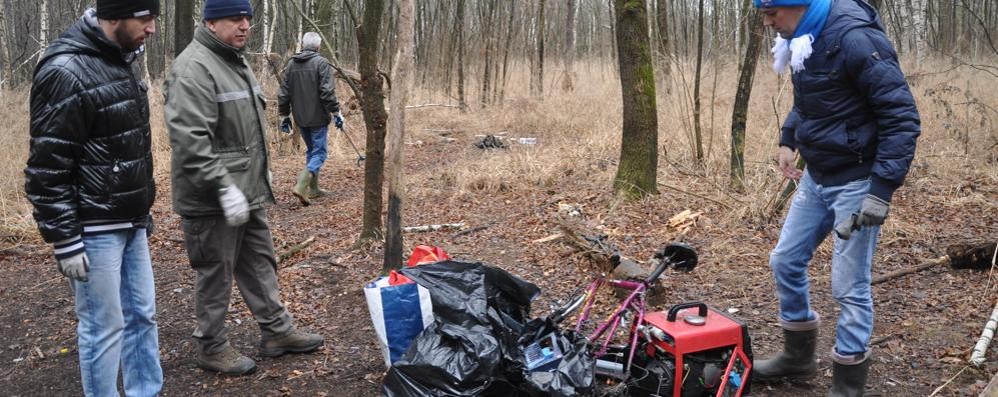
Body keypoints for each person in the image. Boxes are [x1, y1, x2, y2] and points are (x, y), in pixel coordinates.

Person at [751, 0, 920, 395]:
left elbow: (902, 117)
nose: (768, 21)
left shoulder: (855, 38)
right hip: (817, 176)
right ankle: (798, 357)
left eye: (772, 12)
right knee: (785, 260)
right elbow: (811, 99)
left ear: (798, 4)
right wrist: (788, 138)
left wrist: (880, 192)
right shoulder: (804, 36)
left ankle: (847, 384)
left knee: (848, 285)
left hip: (858, 180)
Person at [164, 0, 324, 376]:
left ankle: (277, 332)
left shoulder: (234, 60)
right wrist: (224, 188)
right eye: (235, 18)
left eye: (248, 18)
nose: (245, 25)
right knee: (215, 272)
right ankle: (211, 346)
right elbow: (190, 142)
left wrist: (253, 182)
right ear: (210, 21)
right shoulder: (193, 68)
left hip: (246, 191)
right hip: (212, 197)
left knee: (259, 262)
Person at [24, 1, 162, 395]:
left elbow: (127, 148)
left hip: (130, 221)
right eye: (145, 19)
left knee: (142, 317)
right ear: (114, 16)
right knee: (104, 328)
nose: (152, 28)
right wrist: (65, 240)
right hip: (92, 230)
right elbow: (47, 167)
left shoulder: (119, 59)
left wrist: (141, 211)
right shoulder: (65, 71)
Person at [278, 31, 343, 205]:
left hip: (301, 118)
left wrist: (284, 115)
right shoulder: (321, 63)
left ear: (304, 45)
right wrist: (336, 112)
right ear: (318, 46)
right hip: (318, 117)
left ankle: (314, 189)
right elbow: (327, 92)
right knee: (320, 153)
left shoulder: (291, 64)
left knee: (312, 150)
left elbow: (283, 93)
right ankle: (301, 185)